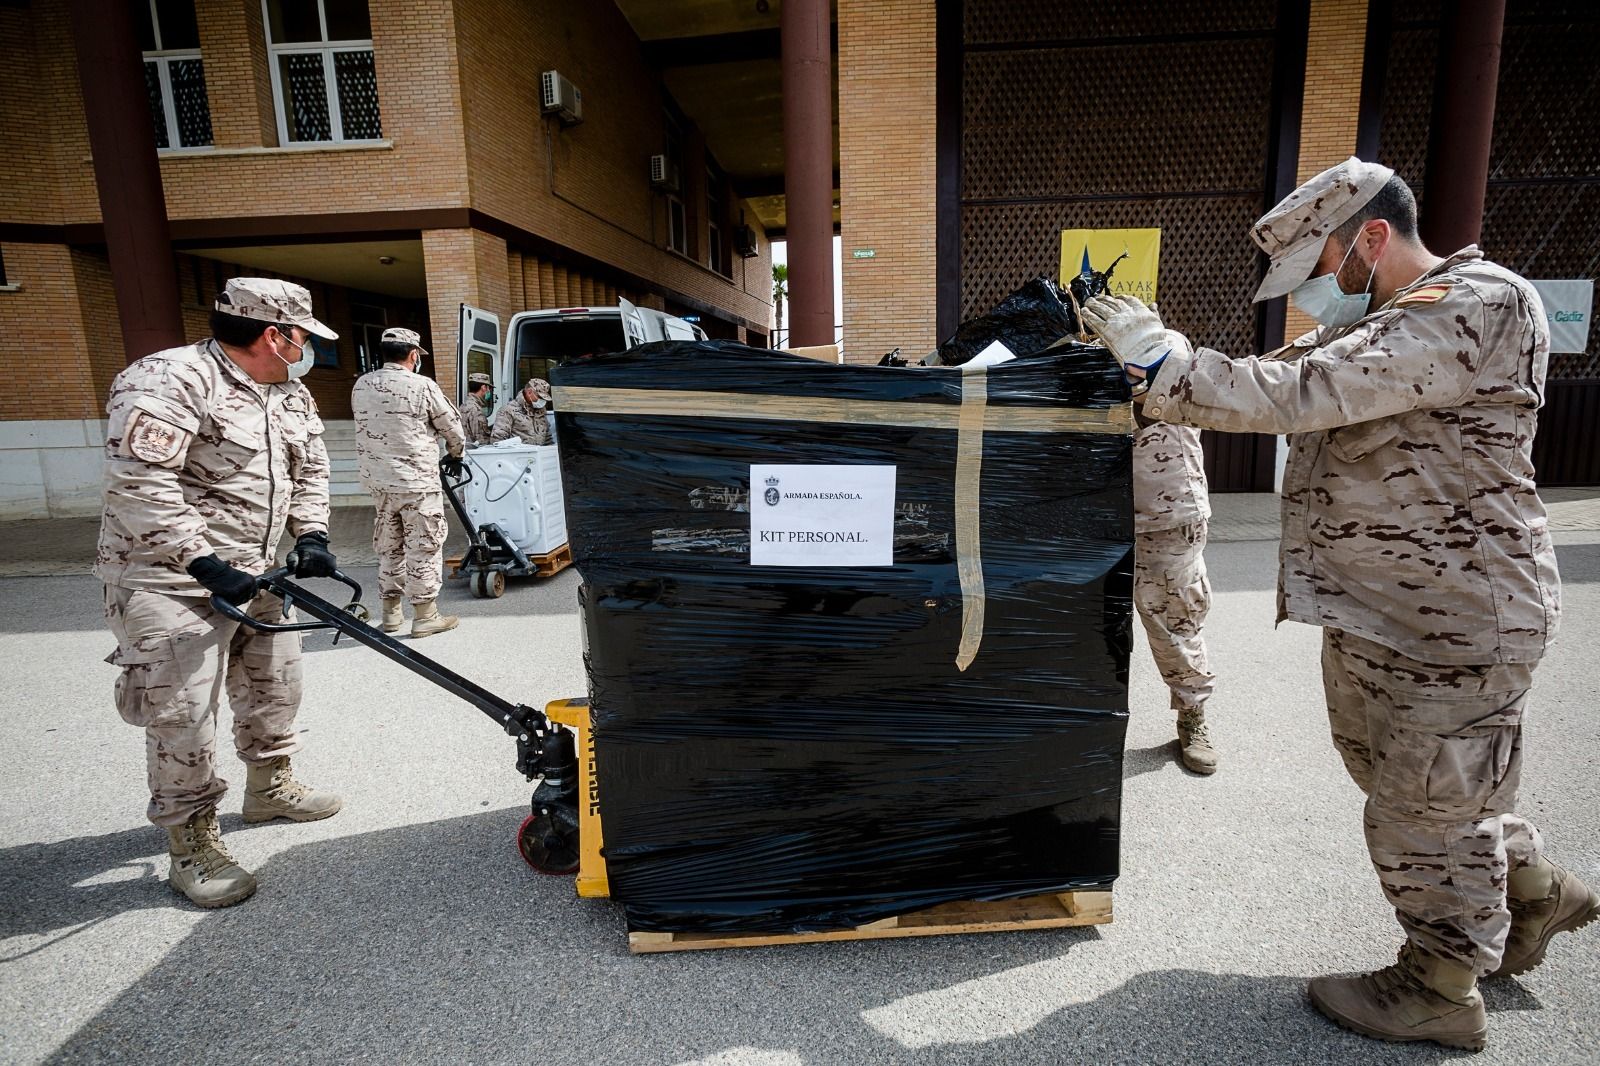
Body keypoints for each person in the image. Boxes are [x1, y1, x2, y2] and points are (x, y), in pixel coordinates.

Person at [1083, 157, 1592, 1052]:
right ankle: (1535, 891)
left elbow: (1298, 395)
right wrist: (1139, 375)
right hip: (1380, 613)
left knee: (1423, 810)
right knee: (1425, 790)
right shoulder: (1386, 324)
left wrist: (1164, 356)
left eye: (1317, 272)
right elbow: (1259, 377)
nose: (1313, 298)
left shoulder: (1479, 303)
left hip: (1458, 618)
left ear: (1370, 238)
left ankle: (1440, 986)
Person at [97, 277, 344, 910]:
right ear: (275, 334)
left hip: (258, 572)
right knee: (182, 714)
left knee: (274, 687)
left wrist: (311, 535)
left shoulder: (288, 391)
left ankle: (269, 788)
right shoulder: (168, 380)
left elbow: (310, 467)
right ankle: (192, 842)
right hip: (169, 580)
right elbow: (139, 482)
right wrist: (202, 562)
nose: (306, 348)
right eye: (303, 337)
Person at [351, 328, 466, 639]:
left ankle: (390, 614)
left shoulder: (362, 385)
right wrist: (456, 455)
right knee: (423, 546)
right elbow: (452, 429)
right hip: (417, 483)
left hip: (381, 483)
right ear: (414, 355)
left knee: (389, 546)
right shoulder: (421, 385)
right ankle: (425, 615)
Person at [1132, 419, 1217, 773]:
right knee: (1081, 622)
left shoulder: (1172, 362)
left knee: (1174, 620)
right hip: (1076, 499)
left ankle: (1191, 715)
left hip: (1163, 501)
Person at [491, 378, 554, 444]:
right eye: (540, 397)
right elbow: (497, 440)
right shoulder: (508, 410)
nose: (542, 401)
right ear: (529, 392)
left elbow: (547, 439)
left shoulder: (540, 412)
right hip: (518, 453)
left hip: (539, 453)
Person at [460, 372, 493, 446]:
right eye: (489, 388)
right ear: (483, 387)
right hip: (474, 453)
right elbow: (481, 439)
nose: (489, 391)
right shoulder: (475, 409)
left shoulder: (464, 405)